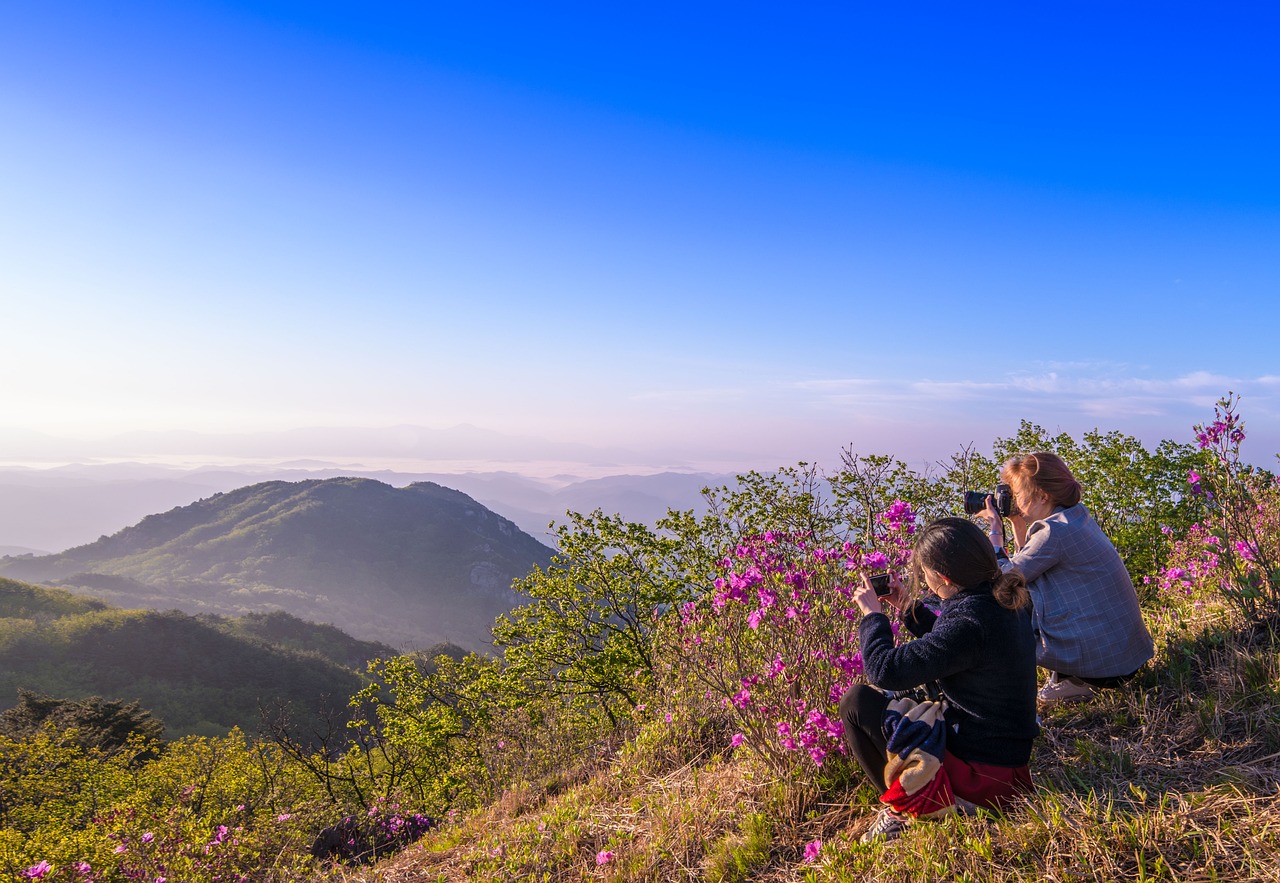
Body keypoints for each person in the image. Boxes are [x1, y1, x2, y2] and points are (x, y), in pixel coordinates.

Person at [839, 517, 1039, 843]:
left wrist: (873, 617)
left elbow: (883, 670)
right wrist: (907, 607)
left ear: (943, 577)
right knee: (907, 700)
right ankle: (912, 799)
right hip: (1007, 765)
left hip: (981, 780)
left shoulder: (969, 621)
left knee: (856, 702)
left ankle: (906, 807)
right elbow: (955, 648)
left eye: (925, 572)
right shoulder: (1000, 601)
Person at [980, 451, 1154, 704]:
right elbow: (1027, 563)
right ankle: (1070, 677)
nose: (1015, 502)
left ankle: (1076, 682)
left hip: (1105, 668)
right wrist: (1017, 524)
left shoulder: (1053, 532)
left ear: (1042, 495)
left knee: (999, 604)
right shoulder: (1074, 517)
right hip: (1124, 657)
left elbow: (1003, 578)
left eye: (1017, 494)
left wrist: (995, 530)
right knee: (1025, 596)